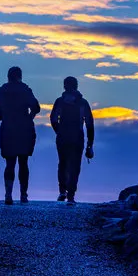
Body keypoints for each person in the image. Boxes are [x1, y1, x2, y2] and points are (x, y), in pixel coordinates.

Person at [0, 67, 41, 205]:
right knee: (23, 162)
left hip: (8, 129)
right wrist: (30, 117)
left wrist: (8, 116)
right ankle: (23, 195)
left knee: (9, 163)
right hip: (24, 129)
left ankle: (8, 195)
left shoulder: (2, 92)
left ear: (8, 76)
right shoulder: (25, 90)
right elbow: (36, 107)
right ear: (20, 76)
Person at [50, 76, 94, 205]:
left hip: (62, 137)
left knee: (62, 163)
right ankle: (71, 195)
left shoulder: (59, 101)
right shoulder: (83, 103)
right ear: (77, 86)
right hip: (77, 137)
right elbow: (90, 124)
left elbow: (53, 120)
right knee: (75, 165)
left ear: (64, 86)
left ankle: (62, 191)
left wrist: (59, 132)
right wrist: (90, 144)